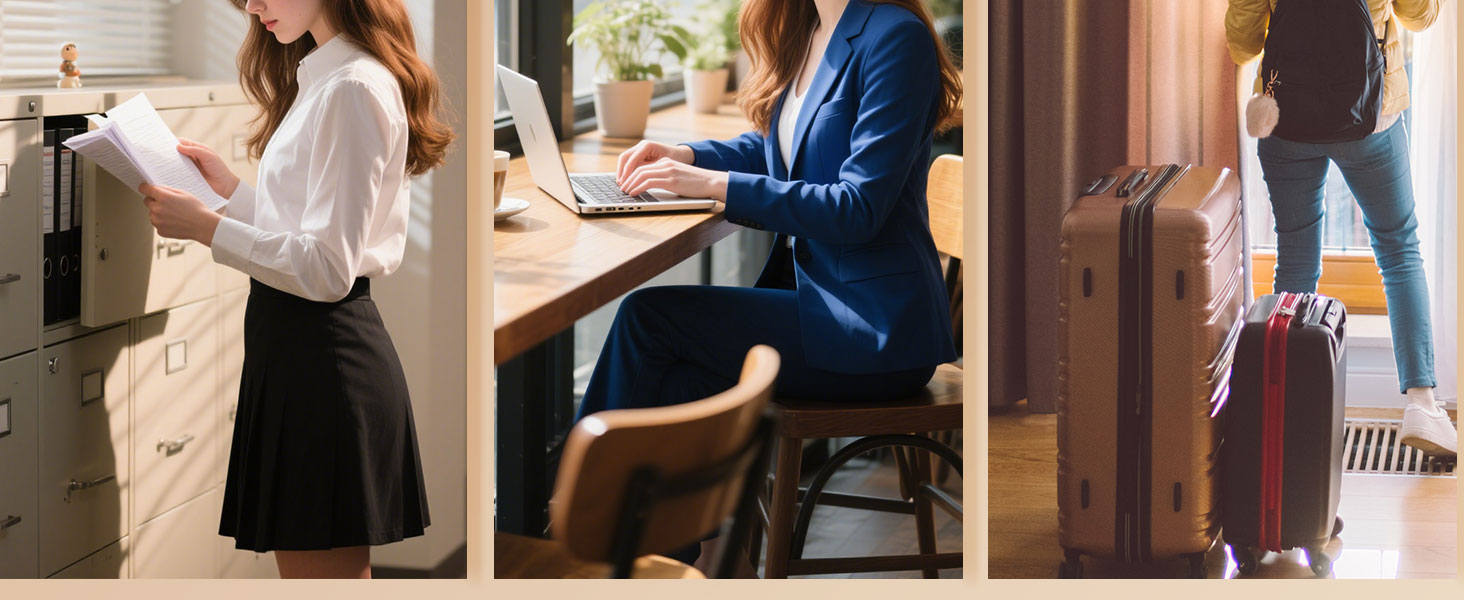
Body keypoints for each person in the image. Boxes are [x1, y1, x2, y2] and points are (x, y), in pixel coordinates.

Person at [580, 0, 961, 569]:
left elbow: (858, 208)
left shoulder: (893, 37)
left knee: (650, 319)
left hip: (875, 327)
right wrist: (685, 155)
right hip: (823, 303)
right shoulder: (812, 26)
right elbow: (783, 150)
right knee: (678, 371)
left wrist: (714, 185)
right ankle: (654, 558)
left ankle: (591, 530)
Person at [135, 0, 453, 578]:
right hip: (297, 354)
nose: (252, 8)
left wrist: (208, 229)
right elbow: (309, 228)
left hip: (322, 361)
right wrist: (229, 191)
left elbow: (328, 269)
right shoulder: (324, 76)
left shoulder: (353, 86)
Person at [1226, 0, 1455, 457]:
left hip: (1285, 118)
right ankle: (1422, 405)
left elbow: (1242, 43)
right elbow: (1420, 17)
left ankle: (1286, 405)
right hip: (1371, 114)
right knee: (1398, 249)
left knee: (1294, 255)